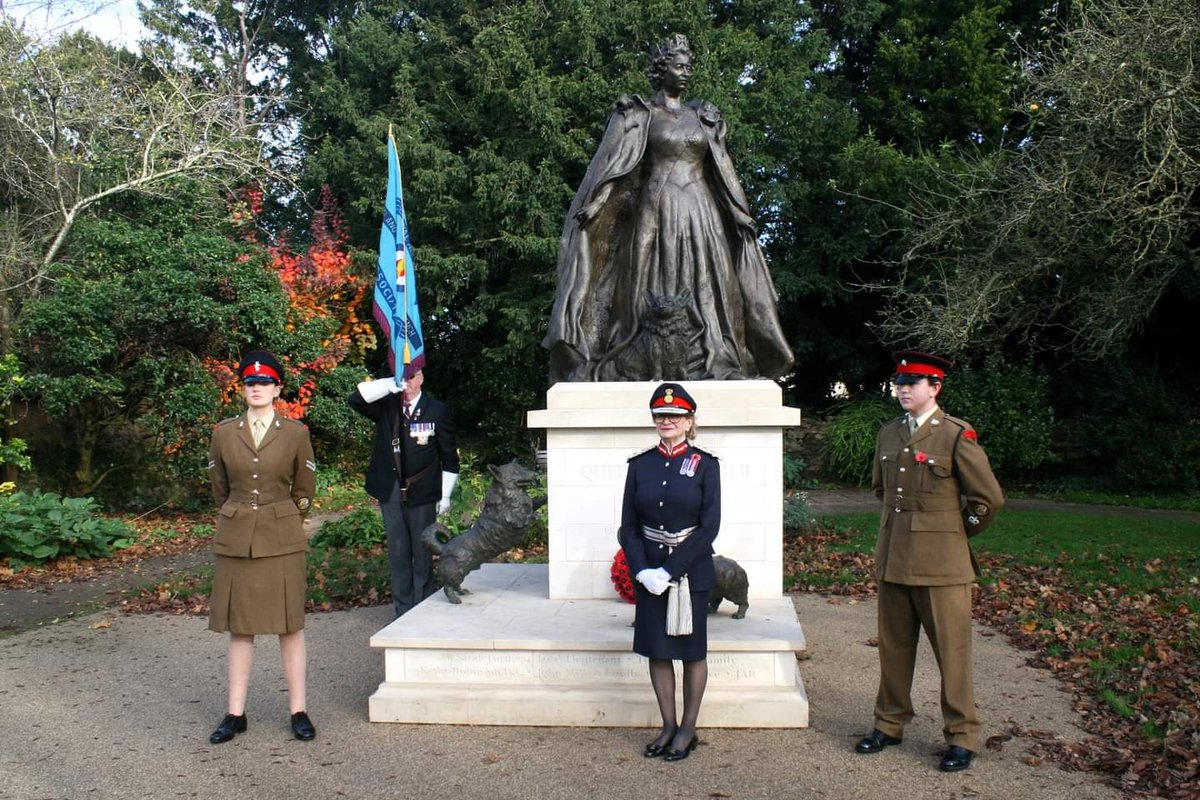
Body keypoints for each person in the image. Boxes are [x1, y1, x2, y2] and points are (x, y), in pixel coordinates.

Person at [542, 33, 793, 383]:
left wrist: (738, 211)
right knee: (645, 279)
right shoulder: (639, 114)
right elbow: (617, 165)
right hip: (654, 207)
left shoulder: (703, 116)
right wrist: (598, 201)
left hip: (701, 209)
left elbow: (721, 168)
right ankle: (640, 356)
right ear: (662, 70)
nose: (686, 72)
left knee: (712, 281)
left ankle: (717, 357)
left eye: (689, 66)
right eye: (678, 65)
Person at [856, 350, 1005, 772]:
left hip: (942, 566)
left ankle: (962, 736)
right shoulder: (888, 434)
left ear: (935, 387)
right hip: (895, 560)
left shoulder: (956, 435)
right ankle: (888, 724)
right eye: (899, 382)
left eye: (913, 383)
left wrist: (955, 534)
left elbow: (988, 499)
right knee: (894, 649)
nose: (903, 389)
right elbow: (881, 491)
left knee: (952, 655)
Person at [206, 350, 318, 744]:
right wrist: (242, 517)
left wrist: (281, 520)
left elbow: (304, 490)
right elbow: (220, 487)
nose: (257, 389)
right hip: (237, 539)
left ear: (277, 389)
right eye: (251, 384)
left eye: (265, 383)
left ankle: (299, 710)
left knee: (290, 626)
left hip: (282, 537)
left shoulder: (295, 433)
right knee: (241, 628)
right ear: (243, 389)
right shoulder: (223, 433)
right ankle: (235, 714)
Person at [618, 383, 720, 762]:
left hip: (689, 574)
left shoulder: (706, 465)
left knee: (691, 653)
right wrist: (643, 570)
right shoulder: (639, 465)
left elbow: (709, 527)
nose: (666, 420)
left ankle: (688, 728)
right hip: (649, 575)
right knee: (657, 651)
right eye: (660, 415)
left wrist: (670, 571)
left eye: (675, 415)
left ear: (689, 420)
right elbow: (627, 526)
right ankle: (667, 725)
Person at [349, 368, 459, 618]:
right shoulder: (388, 405)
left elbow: (449, 457)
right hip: (390, 491)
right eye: (402, 376)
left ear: (421, 378)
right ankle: (402, 613)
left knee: (422, 554)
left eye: (411, 376)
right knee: (398, 554)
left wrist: (446, 494)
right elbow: (355, 399)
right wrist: (389, 383)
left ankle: (422, 611)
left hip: (423, 492)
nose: (407, 382)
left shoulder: (437, 410)